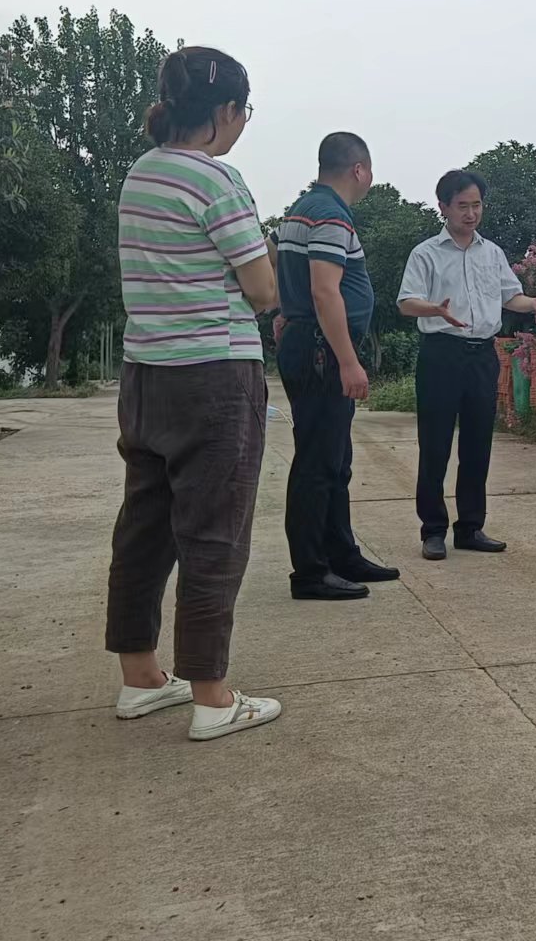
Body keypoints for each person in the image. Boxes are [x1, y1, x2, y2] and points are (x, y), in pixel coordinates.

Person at [106, 46, 282, 742]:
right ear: (225, 110)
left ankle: (141, 678)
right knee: (215, 531)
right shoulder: (217, 179)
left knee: (145, 525)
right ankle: (213, 695)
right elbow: (262, 290)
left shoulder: (140, 173)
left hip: (146, 373)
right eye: (244, 112)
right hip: (214, 373)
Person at [397, 170, 536, 560]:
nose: (471, 214)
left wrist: (533, 304)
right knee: (435, 444)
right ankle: (433, 530)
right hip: (441, 353)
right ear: (443, 207)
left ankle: (470, 527)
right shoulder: (426, 253)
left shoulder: (492, 253)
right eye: (462, 206)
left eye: (477, 205)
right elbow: (406, 303)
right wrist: (434, 309)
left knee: (477, 443)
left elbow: (510, 296)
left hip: (483, 356)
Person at [274, 132, 398, 600]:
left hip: (309, 341)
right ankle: (310, 572)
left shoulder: (301, 209)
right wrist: (348, 361)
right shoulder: (330, 214)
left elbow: (273, 259)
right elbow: (325, 290)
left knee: (335, 459)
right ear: (359, 170)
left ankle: (341, 554)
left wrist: (284, 309)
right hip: (322, 351)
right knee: (318, 462)